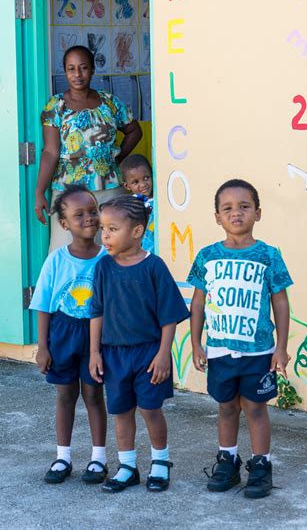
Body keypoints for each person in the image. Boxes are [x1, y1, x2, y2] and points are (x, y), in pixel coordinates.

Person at [187, 179, 292, 498]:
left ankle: (261, 465)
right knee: (226, 407)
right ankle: (228, 460)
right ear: (217, 216)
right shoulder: (207, 256)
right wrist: (196, 343)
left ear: (258, 213)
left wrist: (281, 348)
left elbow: (281, 301)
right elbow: (198, 302)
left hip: (259, 351)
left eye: (245, 206)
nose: (236, 213)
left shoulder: (268, 255)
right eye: (227, 208)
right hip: (219, 351)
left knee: (255, 407)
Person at [89, 196, 189, 493]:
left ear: (136, 231)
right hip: (113, 354)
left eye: (112, 229)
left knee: (150, 409)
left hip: (148, 353)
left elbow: (169, 316)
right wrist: (94, 352)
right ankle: (127, 466)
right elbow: (97, 311)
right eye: (102, 229)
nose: (104, 236)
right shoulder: (103, 267)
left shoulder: (154, 266)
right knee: (121, 411)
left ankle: (160, 461)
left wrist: (163, 355)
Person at [29, 184, 108, 485]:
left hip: (96, 337)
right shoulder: (56, 260)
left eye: (93, 211)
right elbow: (44, 305)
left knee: (93, 394)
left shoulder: (107, 259)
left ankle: (98, 459)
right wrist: (43, 347)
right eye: (79, 215)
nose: (89, 218)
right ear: (64, 224)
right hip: (63, 332)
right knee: (65, 395)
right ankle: (63, 457)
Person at [34, 45, 142, 250]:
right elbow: (50, 152)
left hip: (110, 191)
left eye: (83, 68)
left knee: (112, 250)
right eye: (71, 68)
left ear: (92, 70)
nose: (77, 74)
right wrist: (40, 192)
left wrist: (116, 159)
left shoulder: (109, 102)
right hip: (68, 193)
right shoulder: (55, 107)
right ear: (65, 71)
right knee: (65, 250)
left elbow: (134, 131)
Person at [120, 153, 155, 252]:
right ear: (127, 186)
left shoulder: (160, 199)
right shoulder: (131, 206)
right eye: (136, 182)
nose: (143, 184)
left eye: (146, 178)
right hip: (140, 252)